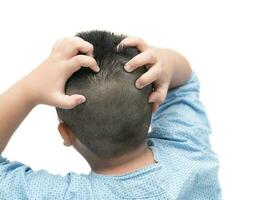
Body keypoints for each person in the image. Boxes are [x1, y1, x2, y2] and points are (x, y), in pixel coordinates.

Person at [0, 30, 221, 199]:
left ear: (66, 134)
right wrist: (163, 59)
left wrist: (26, 91)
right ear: (153, 105)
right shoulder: (190, 152)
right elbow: (183, 83)